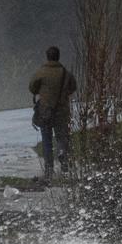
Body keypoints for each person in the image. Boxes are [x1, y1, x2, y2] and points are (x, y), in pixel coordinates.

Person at [28, 46, 78, 179]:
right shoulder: (65, 73)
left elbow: (32, 87)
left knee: (47, 140)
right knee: (62, 137)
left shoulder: (41, 72)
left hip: (46, 111)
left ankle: (49, 169)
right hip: (62, 111)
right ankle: (64, 161)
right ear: (58, 56)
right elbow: (73, 86)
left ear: (47, 57)